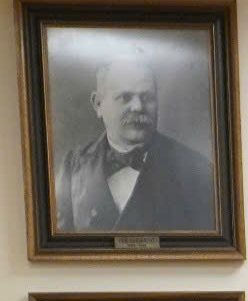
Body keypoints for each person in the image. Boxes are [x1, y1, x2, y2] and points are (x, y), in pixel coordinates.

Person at [54, 56, 216, 233]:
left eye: (147, 97)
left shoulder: (197, 170)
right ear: (98, 104)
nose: (138, 107)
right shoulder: (73, 167)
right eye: (125, 97)